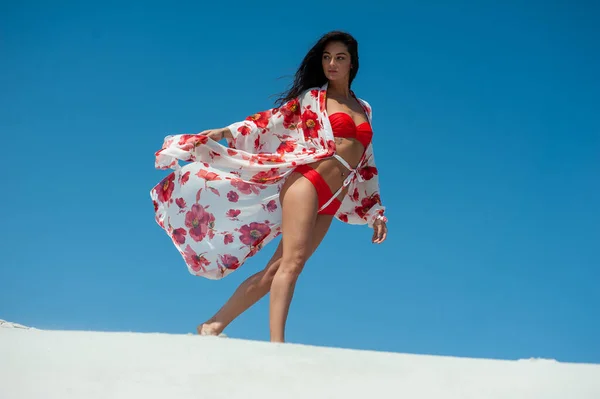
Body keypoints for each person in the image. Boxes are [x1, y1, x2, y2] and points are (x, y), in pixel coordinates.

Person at [150, 31, 388, 343]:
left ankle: (213, 325)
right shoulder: (312, 100)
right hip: (308, 183)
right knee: (292, 264)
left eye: (340, 57)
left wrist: (375, 212)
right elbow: (268, 122)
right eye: (327, 57)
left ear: (352, 64)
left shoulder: (364, 108)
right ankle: (278, 346)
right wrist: (225, 131)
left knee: (278, 270)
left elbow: (366, 163)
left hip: (335, 196)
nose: (331, 63)